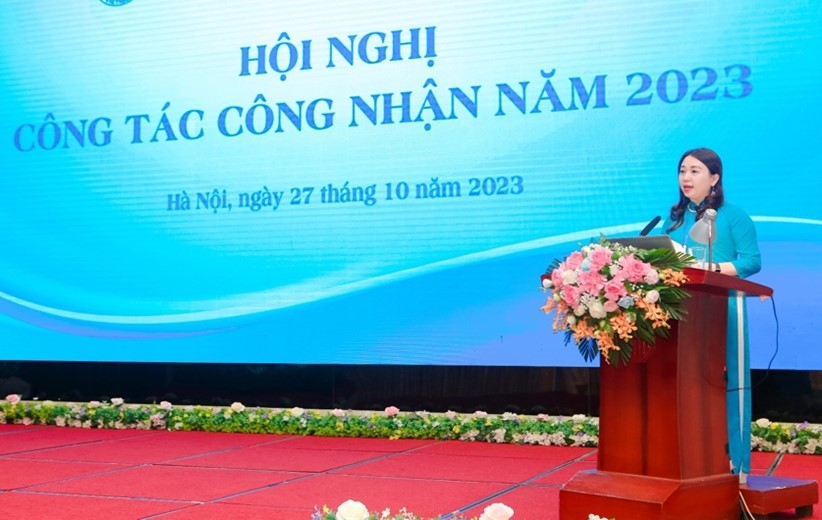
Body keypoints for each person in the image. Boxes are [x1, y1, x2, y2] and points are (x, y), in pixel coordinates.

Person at [661, 147, 761, 483]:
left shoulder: (733, 216)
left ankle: (737, 467)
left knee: (729, 385)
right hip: (680, 310)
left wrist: (711, 269)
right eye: (682, 171)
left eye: (695, 171)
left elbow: (751, 261)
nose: (686, 178)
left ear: (714, 178)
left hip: (724, 307)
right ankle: (688, 461)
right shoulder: (674, 219)